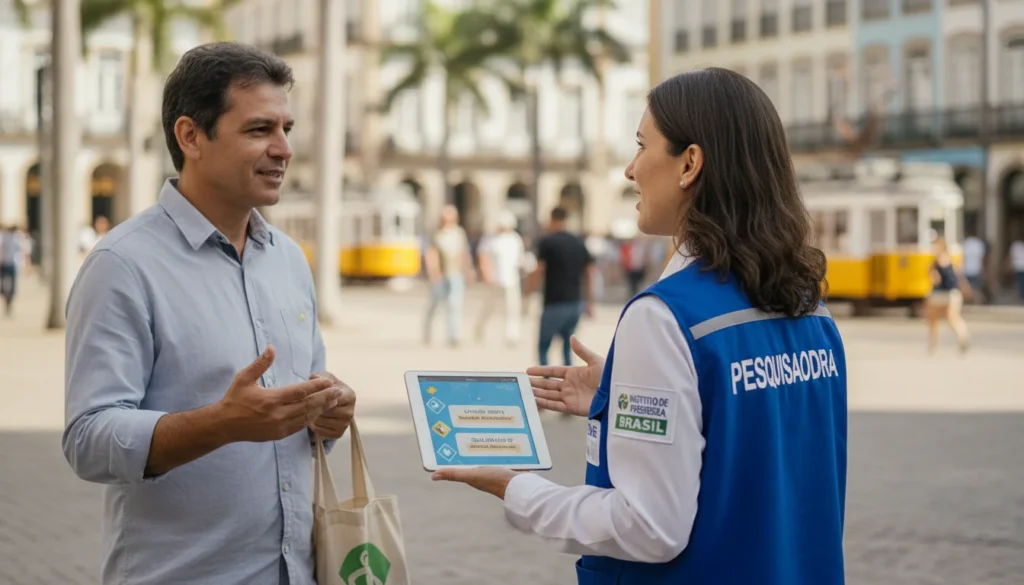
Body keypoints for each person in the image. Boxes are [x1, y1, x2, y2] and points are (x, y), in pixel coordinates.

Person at [433, 67, 848, 585]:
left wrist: (515, 488)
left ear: (689, 163)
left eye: (641, 145)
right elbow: (750, 436)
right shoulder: (811, 309)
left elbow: (649, 527)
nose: (630, 170)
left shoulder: (665, 317)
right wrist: (624, 393)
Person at [62, 43, 356, 584]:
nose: (284, 149)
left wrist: (327, 413)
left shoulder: (289, 259)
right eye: (259, 130)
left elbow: (297, 408)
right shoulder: (122, 264)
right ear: (191, 136)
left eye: (286, 128)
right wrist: (221, 424)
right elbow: (88, 439)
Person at [525, 206, 594, 366]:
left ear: (552, 219)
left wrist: (528, 290)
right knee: (567, 347)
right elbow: (589, 272)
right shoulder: (578, 242)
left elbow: (540, 269)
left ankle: (545, 378)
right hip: (574, 302)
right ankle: (568, 378)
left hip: (554, 302)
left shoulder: (547, 242)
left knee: (543, 347)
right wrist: (589, 301)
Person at [423, 204, 475, 346]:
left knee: (454, 304)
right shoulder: (437, 234)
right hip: (440, 274)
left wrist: (468, 270)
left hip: (456, 274)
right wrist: (433, 271)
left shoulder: (459, 233)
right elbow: (431, 254)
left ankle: (453, 335)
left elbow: (464, 253)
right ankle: (428, 332)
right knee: (435, 304)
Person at [474, 210, 526, 345]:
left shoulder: (515, 239)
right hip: (496, 280)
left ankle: (512, 335)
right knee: (490, 308)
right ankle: (480, 328)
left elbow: (520, 257)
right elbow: (483, 256)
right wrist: (486, 273)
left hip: (512, 279)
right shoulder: (491, 239)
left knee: (512, 308)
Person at [926, 236, 970, 354]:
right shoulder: (946, 260)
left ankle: (961, 338)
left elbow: (936, 278)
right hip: (946, 293)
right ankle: (934, 344)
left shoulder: (940, 261)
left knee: (949, 319)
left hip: (947, 293)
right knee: (937, 319)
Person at [0, 225, 27, 317]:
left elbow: (22, 251)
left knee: (12, 285)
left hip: (13, 263)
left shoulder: (16, 238)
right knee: (5, 284)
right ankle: (7, 298)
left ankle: (9, 301)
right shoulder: (6, 238)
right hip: (6, 263)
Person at [961, 231, 988, 304]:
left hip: (966, 270)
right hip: (976, 269)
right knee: (976, 288)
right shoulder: (979, 244)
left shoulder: (965, 243)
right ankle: (977, 303)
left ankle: (970, 303)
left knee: (967, 288)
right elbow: (982, 258)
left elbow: (962, 258)